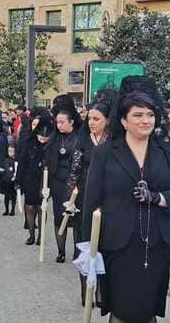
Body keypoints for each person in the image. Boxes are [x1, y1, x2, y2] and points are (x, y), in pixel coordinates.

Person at [81, 76, 170, 323]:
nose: (146, 121)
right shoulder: (106, 152)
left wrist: (157, 198)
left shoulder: (167, 151)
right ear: (124, 119)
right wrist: (88, 249)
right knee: (120, 311)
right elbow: (91, 201)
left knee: (146, 312)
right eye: (138, 115)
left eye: (150, 115)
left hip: (156, 243)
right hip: (117, 243)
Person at [77, 99, 111, 305]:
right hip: (85, 197)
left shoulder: (113, 143)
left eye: (96, 119)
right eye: (89, 118)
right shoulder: (84, 139)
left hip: (107, 200)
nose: (91, 122)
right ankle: (87, 291)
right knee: (86, 245)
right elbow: (75, 167)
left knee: (105, 247)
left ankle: (103, 291)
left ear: (108, 121)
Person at [48, 96, 87, 263]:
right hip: (57, 182)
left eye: (62, 122)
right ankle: (61, 251)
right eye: (57, 122)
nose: (59, 125)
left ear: (71, 122)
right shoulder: (55, 137)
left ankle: (77, 252)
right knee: (58, 217)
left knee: (76, 219)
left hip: (75, 183)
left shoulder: (80, 137)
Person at [16, 108, 52, 245]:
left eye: (45, 138)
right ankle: (31, 234)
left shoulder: (50, 145)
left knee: (42, 207)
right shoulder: (28, 142)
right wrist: (18, 180)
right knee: (30, 207)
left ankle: (41, 236)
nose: (42, 139)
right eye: (40, 137)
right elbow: (22, 163)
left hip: (45, 181)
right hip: (30, 179)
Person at [0, 145, 18, 215]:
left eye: (11, 151)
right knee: (6, 196)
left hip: (14, 181)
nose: (9, 153)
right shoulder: (6, 160)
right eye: (8, 151)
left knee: (13, 196)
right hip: (6, 180)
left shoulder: (16, 160)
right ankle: (7, 210)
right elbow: (3, 169)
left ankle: (13, 210)